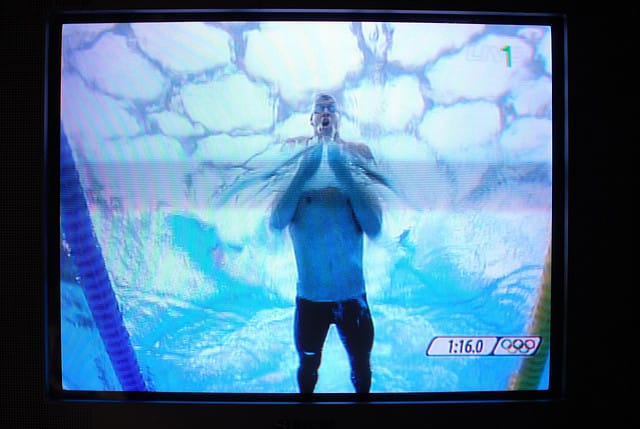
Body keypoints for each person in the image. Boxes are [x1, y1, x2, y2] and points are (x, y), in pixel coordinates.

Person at [270, 94, 382, 395]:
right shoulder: (294, 152)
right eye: (319, 109)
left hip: (352, 295)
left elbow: (374, 227)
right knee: (308, 366)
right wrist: (303, 173)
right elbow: (277, 221)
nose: (325, 113)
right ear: (311, 119)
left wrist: (346, 176)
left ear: (340, 118)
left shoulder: (358, 153)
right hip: (311, 297)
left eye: (331, 108)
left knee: (361, 365)